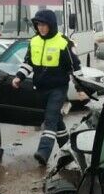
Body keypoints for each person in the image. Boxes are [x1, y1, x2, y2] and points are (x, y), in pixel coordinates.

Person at [11, 9, 81, 164]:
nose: (41, 28)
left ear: (51, 25)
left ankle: (43, 152)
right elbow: (28, 63)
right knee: (56, 120)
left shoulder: (63, 42)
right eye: (38, 25)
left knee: (50, 119)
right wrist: (18, 77)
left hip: (58, 88)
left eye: (44, 25)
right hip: (41, 88)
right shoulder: (34, 41)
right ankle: (68, 150)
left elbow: (75, 66)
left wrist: (80, 87)